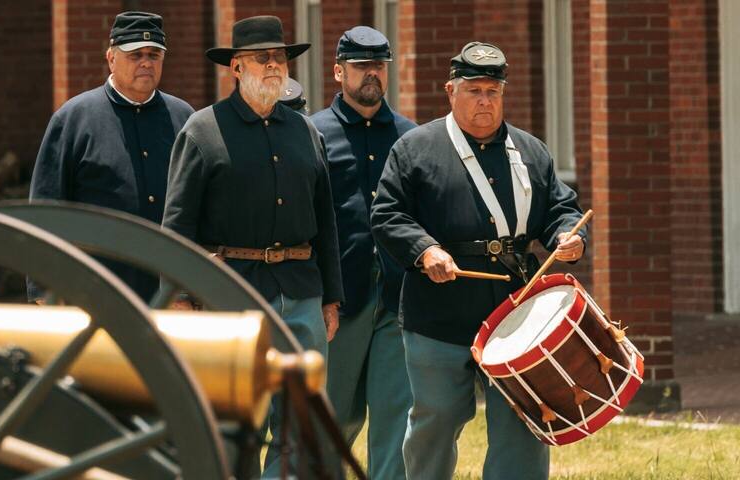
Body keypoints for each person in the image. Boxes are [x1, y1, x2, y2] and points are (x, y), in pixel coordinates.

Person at [371, 41, 587, 480]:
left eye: (493, 91)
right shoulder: (415, 149)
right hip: (439, 311)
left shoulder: (531, 151)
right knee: (437, 420)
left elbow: (562, 209)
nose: (484, 101)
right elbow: (387, 214)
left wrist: (569, 236)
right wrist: (425, 249)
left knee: (526, 420)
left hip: (515, 309)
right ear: (451, 91)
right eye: (473, 91)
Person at [163, 15, 342, 475]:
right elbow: (177, 223)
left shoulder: (305, 131)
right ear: (236, 68)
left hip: (302, 291)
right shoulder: (202, 131)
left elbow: (326, 220)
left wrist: (332, 297)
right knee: (240, 420)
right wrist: (180, 295)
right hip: (233, 292)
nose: (274, 67)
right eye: (262, 59)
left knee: (301, 419)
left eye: (280, 58)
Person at [308, 26, 417, 480]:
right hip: (339, 299)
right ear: (338, 72)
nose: (371, 74)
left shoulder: (411, 136)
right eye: (360, 66)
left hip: (398, 300)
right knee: (334, 418)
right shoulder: (312, 133)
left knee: (396, 420)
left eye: (378, 65)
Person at [29, 11, 193, 301]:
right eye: (135, 54)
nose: (146, 62)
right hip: (97, 291)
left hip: (171, 292)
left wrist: (190, 293)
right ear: (111, 58)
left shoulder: (185, 119)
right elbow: (45, 210)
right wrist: (44, 292)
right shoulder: (73, 119)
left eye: (154, 55)